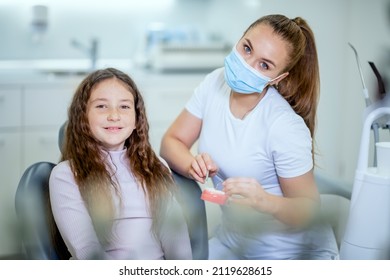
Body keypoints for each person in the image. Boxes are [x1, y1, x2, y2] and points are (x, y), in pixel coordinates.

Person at [160, 14, 339, 260]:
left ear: (277, 79)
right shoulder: (215, 82)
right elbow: (171, 142)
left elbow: (309, 210)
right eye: (246, 48)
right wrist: (192, 165)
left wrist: (266, 202)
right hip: (233, 242)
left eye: (264, 65)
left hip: (291, 253)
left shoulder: (284, 125)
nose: (247, 64)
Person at [49, 68, 192, 260]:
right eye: (101, 106)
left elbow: (176, 238)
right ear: (83, 117)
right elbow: (87, 252)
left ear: (136, 119)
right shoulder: (66, 175)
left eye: (124, 107)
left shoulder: (155, 166)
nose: (114, 115)